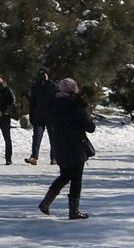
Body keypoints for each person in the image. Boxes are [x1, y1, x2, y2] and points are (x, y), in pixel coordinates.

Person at [38, 77, 96, 219]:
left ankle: (46, 203)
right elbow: (89, 126)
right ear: (73, 89)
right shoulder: (76, 103)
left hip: (59, 143)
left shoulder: (53, 102)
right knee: (76, 178)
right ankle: (73, 211)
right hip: (75, 144)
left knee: (65, 175)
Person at [26, 68, 57, 165]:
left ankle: (54, 158)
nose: (43, 76)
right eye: (41, 74)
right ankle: (34, 157)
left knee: (53, 138)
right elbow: (32, 102)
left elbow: (57, 101)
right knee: (36, 137)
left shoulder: (54, 86)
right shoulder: (36, 86)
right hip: (38, 116)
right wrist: (31, 114)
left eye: (44, 74)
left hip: (51, 116)